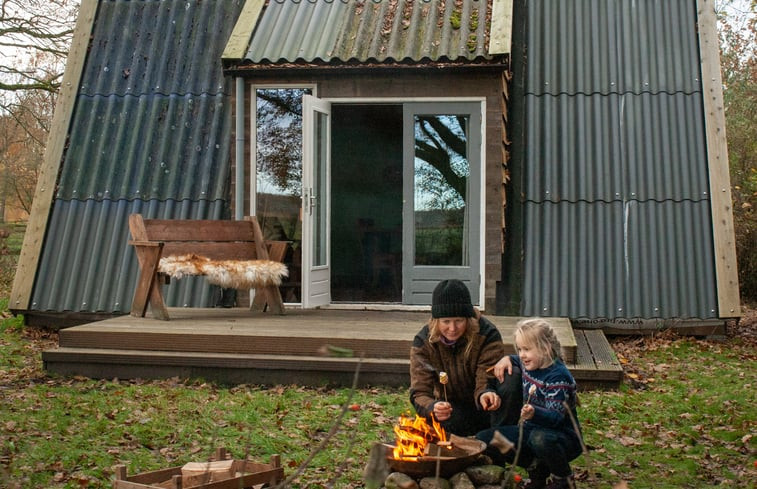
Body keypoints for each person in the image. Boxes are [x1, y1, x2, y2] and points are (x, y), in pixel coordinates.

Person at [476, 318, 582, 489]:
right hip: (531, 430)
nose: (522, 354)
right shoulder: (530, 363)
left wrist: (534, 413)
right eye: (519, 349)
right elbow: (518, 360)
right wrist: (507, 358)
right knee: (488, 439)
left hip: (562, 437)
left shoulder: (558, 377)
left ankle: (564, 478)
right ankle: (536, 468)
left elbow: (556, 418)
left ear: (545, 348)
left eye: (526, 349)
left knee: (539, 438)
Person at [409, 279, 522, 436]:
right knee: (440, 421)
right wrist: (432, 407)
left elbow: (486, 375)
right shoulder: (423, 342)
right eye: (446, 322)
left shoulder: (487, 334)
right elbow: (419, 392)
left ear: (468, 318)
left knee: (512, 375)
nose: (452, 328)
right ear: (436, 320)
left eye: (459, 321)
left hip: (487, 408)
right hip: (452, 410)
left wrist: (485, 393)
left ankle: (501, 438)